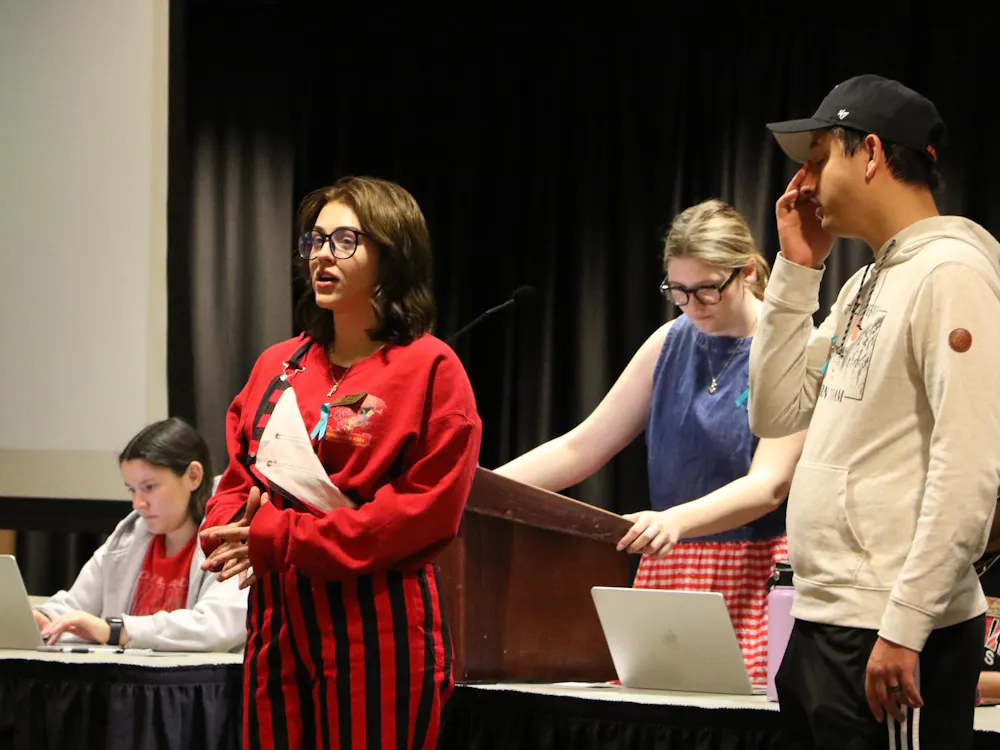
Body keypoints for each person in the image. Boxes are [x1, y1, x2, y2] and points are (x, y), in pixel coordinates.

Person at [750, 74, 1000, 749]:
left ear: (871, 154)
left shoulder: (951, 273)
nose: (803, 183)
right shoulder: (867, 279)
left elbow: (968, 469)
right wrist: (797, 271)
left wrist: (906, 625)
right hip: (826, 618)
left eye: (817, 158)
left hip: (892, 632)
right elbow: (774, 412)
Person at [199, 176, 482, 750]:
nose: (322, 255)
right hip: (277, 616)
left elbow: (423, 512)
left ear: (392, 255)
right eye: (315, 239)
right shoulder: (279, 364)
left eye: (345, 241)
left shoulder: (430, 368)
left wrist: (282, 536)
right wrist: (228, 529)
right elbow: (238, 474)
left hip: (376, 618)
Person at [494, 199, 806, 688]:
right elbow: (581, 447)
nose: (693, 305)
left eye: (707, 289)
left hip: (754, 571)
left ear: (746, 272)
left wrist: (674, 521)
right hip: (673, 564)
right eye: (677, 291)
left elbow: (769, 485)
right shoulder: (669, 341)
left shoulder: (789, 347)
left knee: (739, 715)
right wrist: (480, 488)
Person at [32, 417, 248, 652]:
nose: (138, 503)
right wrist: (45, 618)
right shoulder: (127, 538)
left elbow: (214, 628)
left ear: (193, 476)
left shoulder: (232, 540)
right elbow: (76, 605)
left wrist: (116, 631)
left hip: (200, 676)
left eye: (149, 487)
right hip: (125, 675)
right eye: (132, 490)